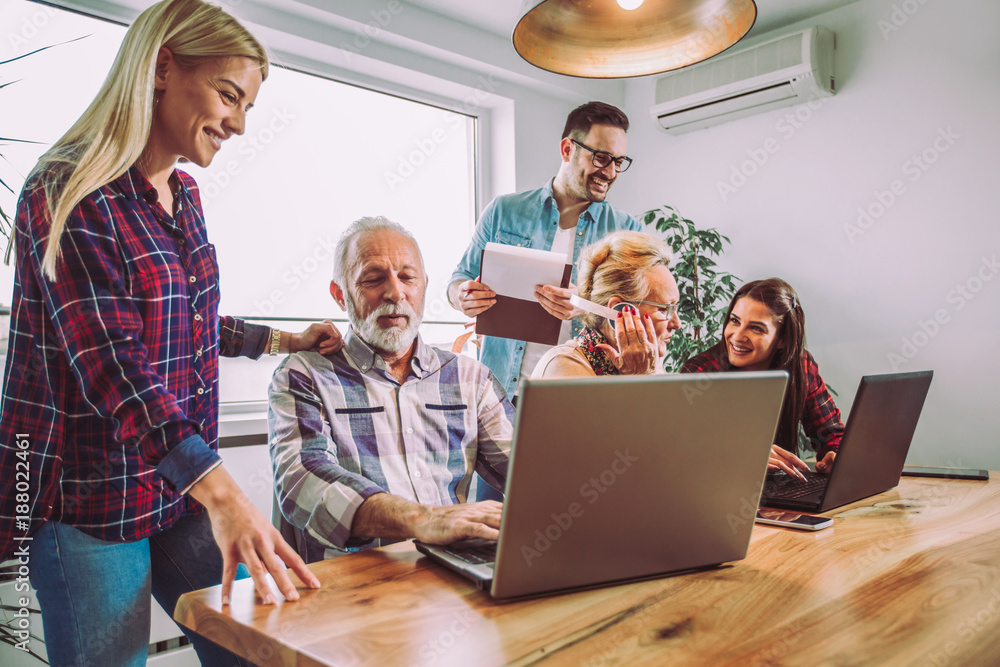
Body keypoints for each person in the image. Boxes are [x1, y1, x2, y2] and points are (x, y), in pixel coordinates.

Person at [0, 1, 343, 664]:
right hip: (91, 506)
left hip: (174, 495)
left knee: (260, 649)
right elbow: (112, 362)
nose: (240, 123)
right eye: (228, 95)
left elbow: (185, 317)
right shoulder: (66, 187)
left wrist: (285, 340)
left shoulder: (182, 195)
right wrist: (223, 492)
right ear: (161, 68)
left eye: (248, 107)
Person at [269, 216, 513, 563]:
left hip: (453, 575)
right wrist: (423, 520)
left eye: (408, 277)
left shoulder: (469, 378)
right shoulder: (305, 375)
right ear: (341, 295)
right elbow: (304, 480)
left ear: (424, 287)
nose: (395, 293)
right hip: (353, 589)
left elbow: (530, 476)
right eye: (372, 279)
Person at [448, 101, 643, 401]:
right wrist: (462, 296)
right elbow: (458, 279)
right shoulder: (504, 211)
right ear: (567, 149)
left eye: (619, 161)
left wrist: (583, 306)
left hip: (578, 394)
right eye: (602, 158)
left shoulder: (625, 230)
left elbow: (631, 315)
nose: (611, 172)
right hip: (498, 393)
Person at [680, 278, 844, 479]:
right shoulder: (701, 373)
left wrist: (832, 454)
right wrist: (747, 457)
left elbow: (831, 434)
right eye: (734, 321)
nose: (737, 336)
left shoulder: (801, 366)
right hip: (716, 492)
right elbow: (684, 451)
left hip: (777, 493)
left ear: (783, 339)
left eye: (756, 328)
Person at [533, 231, 681, 378]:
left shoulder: (647, 360)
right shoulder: (564, 367)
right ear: (620, 311)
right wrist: (642, 376)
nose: (677, 324)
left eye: (675, 308)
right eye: (664, 309)